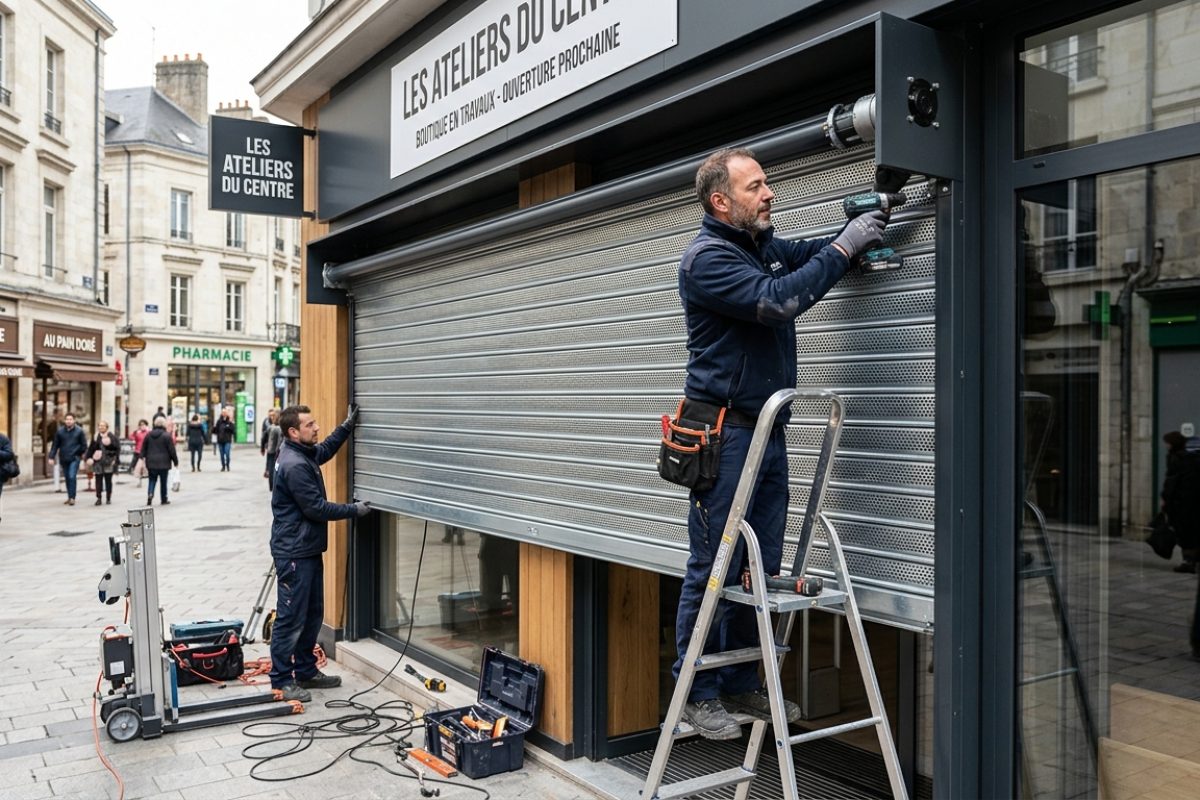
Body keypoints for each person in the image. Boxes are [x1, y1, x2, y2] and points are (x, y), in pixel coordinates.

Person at [670, 147, 888, 739]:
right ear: (722, 201)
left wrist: (857, 230)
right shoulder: (708, 260)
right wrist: (847, 247)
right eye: (756, 186)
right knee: (713, 565)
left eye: (767, 184)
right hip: (726, 434)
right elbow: (781, 301)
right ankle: (696, 692)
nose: (770, 194)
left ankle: (742, 684)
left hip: (765, 429)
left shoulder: (757, 247)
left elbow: (805, 257)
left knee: (759, 568)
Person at [268, 403, 370, 702]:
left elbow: (323, 451)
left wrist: (346, 427)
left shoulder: (299, 452)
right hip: (294, 553)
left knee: (312, 614)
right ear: (293, 431)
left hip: (306, 548)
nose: (316, 427)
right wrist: (354, 510)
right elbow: (316, 508)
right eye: (310, 424)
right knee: (291, 617)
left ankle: (307, 672)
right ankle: (282, 680)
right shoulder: (294, 464)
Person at [48, 413, 88, 506]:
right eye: (67, 419)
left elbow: (84, 445)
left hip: (74, 458)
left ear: (74, 420)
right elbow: (55, 445)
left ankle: (72, 498)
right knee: (67, 478)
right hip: (64, 458)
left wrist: (77, 453)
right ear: (65, 421)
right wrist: (51, 457)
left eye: (70, 419)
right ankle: (69, 497)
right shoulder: (60, 432)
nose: (68, 421)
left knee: (71, 476)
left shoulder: (79, 431)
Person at [142, 416, 178, 505]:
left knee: (152, 480)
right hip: (164, 462)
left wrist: (142, 457)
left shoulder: (148, 435)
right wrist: (175, 461)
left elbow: (144, 448)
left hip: (151, 462)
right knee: (163, 481)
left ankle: (150, 493)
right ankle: (164, 498)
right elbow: (172, 450)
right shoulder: (166, 435)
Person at [84, 421, 120, 505]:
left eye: (103, 426)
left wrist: (115, 459)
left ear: (107, 427)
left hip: (108, 461)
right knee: (98, 480)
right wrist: (87, 458)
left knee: (108, 480)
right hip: (97, 462)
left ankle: (108, 497)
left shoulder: (112, 437)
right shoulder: (96, 436)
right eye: (100, 426)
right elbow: (90, 449)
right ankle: (98, 497)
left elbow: (117, 448)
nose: (101, 427)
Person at [261, 409, 282, 490]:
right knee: (276, 468)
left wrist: (263, 448)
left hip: (270, 450)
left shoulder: (270, 427)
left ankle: (271, 486)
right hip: (278, 451)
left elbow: (263, 438)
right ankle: (274, 485)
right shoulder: (281, 429)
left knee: (270, 468)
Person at [214, 407, 236, 471]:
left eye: (225, 412)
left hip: (227, 440)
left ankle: (228, 465)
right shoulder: (219, 421)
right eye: (223, 412)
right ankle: (223, 466)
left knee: (227, 453)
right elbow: (216, 431)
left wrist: (228, 427)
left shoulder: (230, 421)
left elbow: (233, 431)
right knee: (221, 455)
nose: (224, 413)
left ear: (227, 413)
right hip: (220, 440)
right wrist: (214, 429)